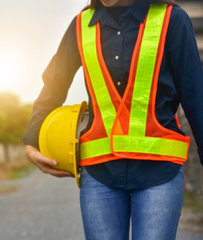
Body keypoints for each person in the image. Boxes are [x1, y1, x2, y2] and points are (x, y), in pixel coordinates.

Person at [23, 0, 203, 239]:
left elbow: (195, 94)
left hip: (159, 172)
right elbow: (53, 86)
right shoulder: (81, 24)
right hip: (100, 174)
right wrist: (32, 141)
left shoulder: (172, 19)